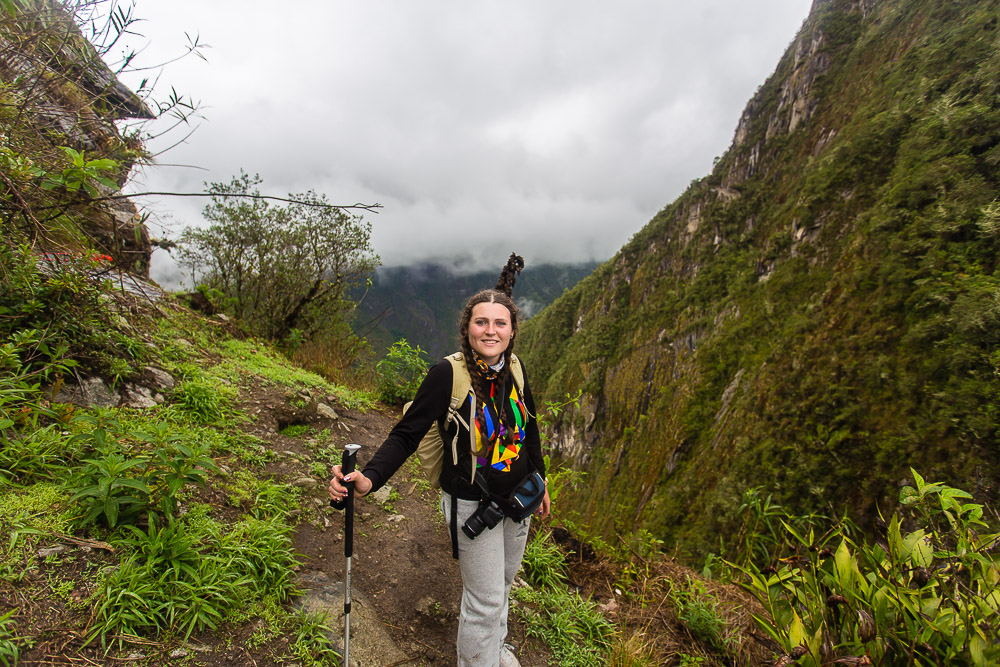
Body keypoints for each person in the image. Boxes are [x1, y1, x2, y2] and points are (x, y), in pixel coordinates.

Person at [328, 257, 549, 667]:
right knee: (483, 601)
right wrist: (370, 478)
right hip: (474, 503)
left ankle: (494, 651)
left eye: (500, 323)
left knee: (501, 586)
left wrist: (542, 479)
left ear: (512, 330)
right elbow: (406, 434)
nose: (491, 331)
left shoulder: (515, 368)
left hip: (519, 498)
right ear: (467, 328)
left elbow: (530, 428)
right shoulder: (447, 375)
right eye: (481, 322)